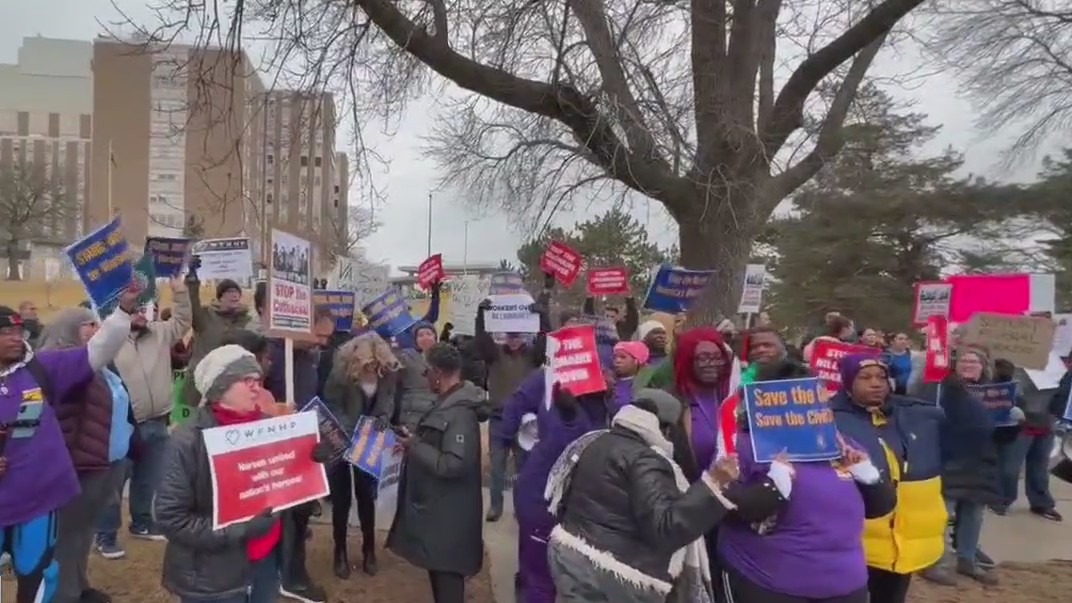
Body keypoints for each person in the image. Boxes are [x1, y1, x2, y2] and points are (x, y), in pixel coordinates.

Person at [544, 391, 791, 603]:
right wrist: (713, 484)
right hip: (615, 579)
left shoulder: (594, 441)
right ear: (666, 428)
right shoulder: (646, 459)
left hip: (573, 563)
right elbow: (667, 529)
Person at [155, 345, 333, 603]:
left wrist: (311, 462)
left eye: (257, 380)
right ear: (219, 387)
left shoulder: (272, 429)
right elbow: (172, 519)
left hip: (267, 563)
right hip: (213, 577)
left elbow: (290, 493)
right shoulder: (188, 441)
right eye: (246, 380)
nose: (256, 388)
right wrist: (242, 529)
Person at [0, 285, 137, 603]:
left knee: (37, 574)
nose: (15, 338)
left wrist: (123, 311)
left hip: (40, 499)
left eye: (19, 331)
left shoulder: (42, 367)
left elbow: (98, 350)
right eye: (5, 332)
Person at [717, 360, 897, 603]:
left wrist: (866, 473)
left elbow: (879, 508)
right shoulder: (744, 445)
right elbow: (724, 507)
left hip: (845, 584)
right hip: (769, 583)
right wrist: (775, 485)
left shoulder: (840, 444)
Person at [40, 308, 139, 603]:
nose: (96, 329)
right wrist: (123, 311)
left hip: (103, 461)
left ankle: (80, 585)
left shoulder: (96, 363)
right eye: (89, 325)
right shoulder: (59, 362)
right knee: (67, 535)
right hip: (76, 463)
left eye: (98, 324)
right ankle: (64, 595)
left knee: (84, 530)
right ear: (68, 329)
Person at [831, 354, 946, 603]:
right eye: (865, 377)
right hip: (857, 542)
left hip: (903, 543)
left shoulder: (915, 413)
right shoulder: (830, 419)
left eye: (881, 377)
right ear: (848, 382)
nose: (875, 383)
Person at [93, 277, 192, 553]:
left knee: (149, 478)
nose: (142, 314)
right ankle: (105, 534)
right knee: (113, 484)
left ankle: (143, 522)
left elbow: (183, 321)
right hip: (122, 425)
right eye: (137, 308)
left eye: (147, 308)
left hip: (158, 420)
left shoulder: (160, 333)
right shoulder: (110, 340)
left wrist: (180, 292)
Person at [387, 343, 489, 603]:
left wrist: (415, 445)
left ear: (437, 373)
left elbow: (452, 464)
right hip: (439, 513)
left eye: (426, 372)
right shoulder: (447, 402)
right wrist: (415, 439)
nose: (425, 377)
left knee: (447, 586)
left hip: (450, 520)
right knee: (439, 578)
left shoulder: (460, 413)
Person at [916, 346, 1008, 585]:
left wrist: (1013, 423)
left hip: (981, 462)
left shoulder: (997, 393)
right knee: (943, 514)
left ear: (983, 367)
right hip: (950, 459)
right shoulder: (944, 388)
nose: (968, 365)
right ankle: (935, 562)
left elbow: (1003, 434)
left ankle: (967, 559)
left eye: (974, 361)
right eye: (964, 361)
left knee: (974, 514)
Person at [322, 332, 400, 578]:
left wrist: (383, 417)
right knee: (341, 499)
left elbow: (388, 399)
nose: (372, 370)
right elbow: (332, 404)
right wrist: (349, 430)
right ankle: (340, 552)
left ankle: (369, 550)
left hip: (369, 441)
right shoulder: (340, 375)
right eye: (368, 365)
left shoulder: (387, 373)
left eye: (376, 365)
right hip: (342, 438)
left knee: (366, 496)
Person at [475, 278, 551, 522]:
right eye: (510, 334)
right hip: (499, 417)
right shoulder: (494, 355)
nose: (514, 338)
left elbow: (546, 341)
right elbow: (482, 340)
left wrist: (543, 317)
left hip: (525, 420)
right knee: (497, 466)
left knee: (523, 467)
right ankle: (496, 507)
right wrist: (481, 315)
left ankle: (521, 507)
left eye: (518, 335)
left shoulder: (533, 356)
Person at [663, 327, 740, 481]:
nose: (712, 364)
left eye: (718, 357)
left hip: (735, 488)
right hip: (689, 487)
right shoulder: (670, 400)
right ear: (687, 360)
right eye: (703, 358)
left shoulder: (734, 394)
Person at [181, 258, 253, 409]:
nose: (234, 295)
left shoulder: (246, 321)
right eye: (229, 292)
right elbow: (191, 303)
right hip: (200, 386)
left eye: (236, 292)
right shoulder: (205, 317)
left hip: (231, 386)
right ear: (220, 297)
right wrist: (192, 279)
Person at [394, 321, 439, 429]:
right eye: (421, 335)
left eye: (429, 334)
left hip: (436, 410)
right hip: (412, 410)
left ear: (435, 337)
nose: (425, 338)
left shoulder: (443, 358)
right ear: (415, 340)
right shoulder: (405, 356)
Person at [610, 341, 649, 412]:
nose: (617, 361)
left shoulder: (646, 383)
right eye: (615, 357)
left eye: (623, 357)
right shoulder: (610, 383)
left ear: (636, 361)